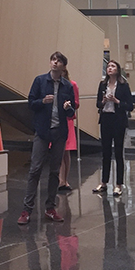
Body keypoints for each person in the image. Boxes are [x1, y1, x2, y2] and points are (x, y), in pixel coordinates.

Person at [17, 52, 76, 224]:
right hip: (43, 131)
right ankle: (26, 210)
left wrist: (68, 108)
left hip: (59, 132)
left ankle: (50, 208)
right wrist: (42, 101)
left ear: (63, 66)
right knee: (35, 169)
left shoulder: (67, 86)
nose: (55, 63)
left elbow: (72, 112)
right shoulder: (40, 81)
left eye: (59, 61)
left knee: (54, 171)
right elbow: (31, 103)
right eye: (53, 60)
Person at [93, 60, 134, 196]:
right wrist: (104, 101)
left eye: (113, 66)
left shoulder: (123, 85)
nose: (110, 68)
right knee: (105, 152)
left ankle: (119, 184)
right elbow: (98, 104)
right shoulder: (102, 84)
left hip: (118, 120)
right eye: (108, 66)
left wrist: (117, 101)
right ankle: (104, 182)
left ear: (118, 70)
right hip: (106, 119)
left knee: (118, 152)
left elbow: (130, 105)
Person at [58, 65, 79, 193]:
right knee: (58, 150)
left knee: (66, 151)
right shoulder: (54, 86)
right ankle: (60, 179)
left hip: (67, 119)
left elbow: (76, 103)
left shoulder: (72, 85)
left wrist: (69, 105)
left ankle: (64, 179)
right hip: (57, 119)